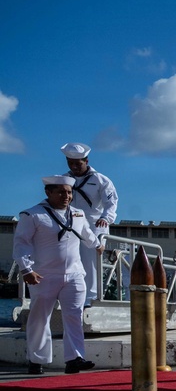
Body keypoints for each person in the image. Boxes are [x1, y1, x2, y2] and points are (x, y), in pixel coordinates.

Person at [13, 176, 104, 374]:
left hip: (74, 274)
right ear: (48, 193)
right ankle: (36, 360)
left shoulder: (78, 214)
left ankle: (75, 359)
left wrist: (98, 245)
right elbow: (21, 243)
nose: (67, 196)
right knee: (39, 318)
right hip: (43, 275)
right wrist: (26, 269)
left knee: (73, 316)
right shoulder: (33, 215)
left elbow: (86, 233)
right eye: (61, 192)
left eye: (69, 192)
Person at [61, 142, 118, 306]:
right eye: (70, 163)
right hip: (70, 223)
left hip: (95, 223)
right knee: (69, 259)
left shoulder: (100, 180)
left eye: (77, 164)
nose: (74, 167)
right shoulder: (64, 180)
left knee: (91, 261)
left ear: (86, 161)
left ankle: (91, 299)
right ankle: (70, 296)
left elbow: (111, 203)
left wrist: (106, 218)